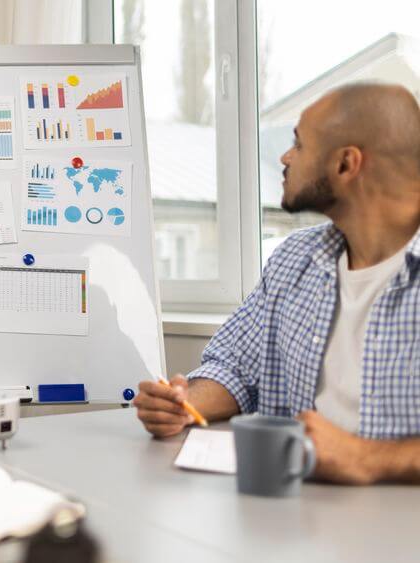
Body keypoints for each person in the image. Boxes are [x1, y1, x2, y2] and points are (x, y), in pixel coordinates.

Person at [133, 83, 420, 485]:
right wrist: (183, 404)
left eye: (299, 145)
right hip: (293, 516)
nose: (285, 157)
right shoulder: (294, 259)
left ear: (346, 164)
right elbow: (235, 367)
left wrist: (369, 459)